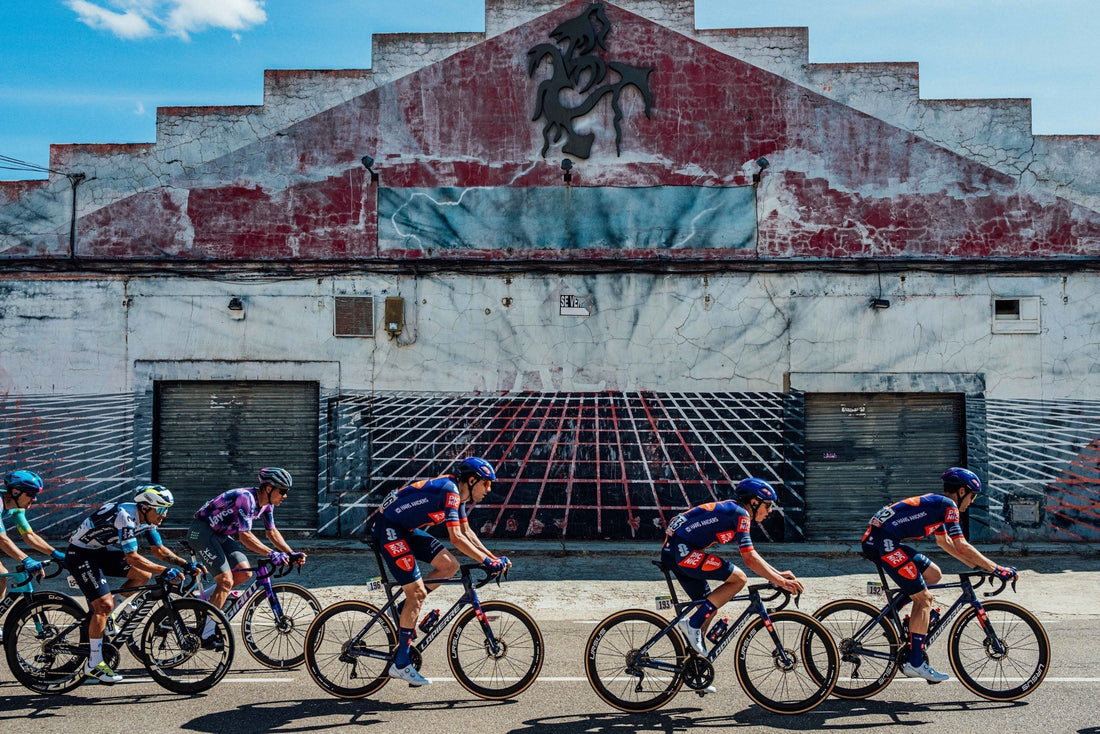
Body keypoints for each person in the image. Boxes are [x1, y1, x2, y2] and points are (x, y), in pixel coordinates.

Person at [860, 467, 1018, 683]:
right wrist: (996, 568)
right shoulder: (949, 505)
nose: (971, 502)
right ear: (962, 492)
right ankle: (915, 663)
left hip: (883, 540)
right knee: (924, 599)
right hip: (883, 544)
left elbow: (948, 544)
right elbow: (961, 545)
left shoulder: (939, 507)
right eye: (972, 496)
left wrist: (976, 566)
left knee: (934, 574)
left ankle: (892, 614)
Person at [370, 456, 510, 687]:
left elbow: (467, 532)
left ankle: (404, 610)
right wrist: (487, 561)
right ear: (473, 480)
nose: (489, 488)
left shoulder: (459, 495)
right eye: (486, 483)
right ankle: (401, 663)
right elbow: (456, 539)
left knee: (449, 566)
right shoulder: (450, 491)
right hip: (389, 528)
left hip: (405, 529)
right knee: (417, 594)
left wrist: (492, 558)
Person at [63, 484, 195, 685]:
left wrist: (186, 564)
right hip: (80, 555)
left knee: (142, 576)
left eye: (166, 509)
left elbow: (159, 549)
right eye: (160, 509)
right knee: (103, 605)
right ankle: (94, 664)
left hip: (99, 552)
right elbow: (132, 557)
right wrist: (165, 571)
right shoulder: (125, 516)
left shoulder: (146, 518)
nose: (164, 515)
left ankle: (109, 616)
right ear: (145, 507)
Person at [662, 478, 804, 663]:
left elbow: (752, 555)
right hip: (682, 552)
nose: (770, 511)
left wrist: (778, 574)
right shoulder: (741, 514)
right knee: (739, 579)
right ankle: (693, 625)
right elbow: (749, 559)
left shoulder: (734, 510)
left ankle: (695, 665)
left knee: (708, 608)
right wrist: (781, 582)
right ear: (754, 502)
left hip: (676, 551)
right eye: (767, 505)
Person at [188, 467, 306, 646]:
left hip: (219, 535)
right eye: (282, 490)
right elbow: (245, 536)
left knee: (244, 573)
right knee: (226, 581)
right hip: (201, 532)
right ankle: (206, 634)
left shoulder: (267, 505)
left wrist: (290, 553)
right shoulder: (246, 498)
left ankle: (202, 602)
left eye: (286, 491)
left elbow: (272, 532)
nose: (285, 495)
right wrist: (272, 553)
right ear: (268, 488)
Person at [1, 471, 66, 603]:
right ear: (15, 492)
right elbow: (1, 539)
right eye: (30, 494)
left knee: (2, 575)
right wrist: (27, 560)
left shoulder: (17, 508)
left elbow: (28, 535)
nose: (34, 499)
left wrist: (56, 554)